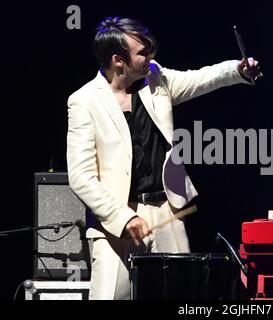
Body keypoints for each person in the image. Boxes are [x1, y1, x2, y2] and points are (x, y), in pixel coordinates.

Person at [66, 16, 261, 300]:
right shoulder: (84, 101)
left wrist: (238, 70)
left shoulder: (156, 78)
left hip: (166, 211)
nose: (150, 56)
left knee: (182, 296)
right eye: (142, 52)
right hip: (116, 221)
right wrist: (123, 217)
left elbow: (200, 78)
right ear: (118, 60)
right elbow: (81, 177)